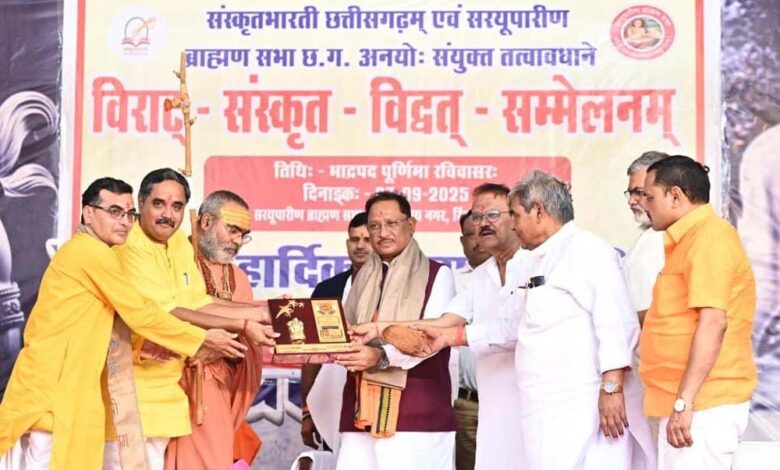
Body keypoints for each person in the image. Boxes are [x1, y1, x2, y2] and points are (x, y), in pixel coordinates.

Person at [0, 177, 244, 469]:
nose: (125, 222)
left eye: (129, 214)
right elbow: (140, 312)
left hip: (75, 385)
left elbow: (121, 317)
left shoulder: (106, 253)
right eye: (114, 212)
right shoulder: (88, 252)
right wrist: (200, 340)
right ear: (88, 213)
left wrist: (146, 346)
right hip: (51, 385)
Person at [417, 171, 655, 469]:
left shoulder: (587, 250)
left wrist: (611, 389)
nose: (513, 225)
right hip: (545, 409)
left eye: (515, 215)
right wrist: (451, 336)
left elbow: (617, 324)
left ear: (539, 211)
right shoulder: (534, 261)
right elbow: (515, 327)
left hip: (586, 405)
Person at [110, 169, 276, 470]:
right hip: (135, 391)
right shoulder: (130, 246)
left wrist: (264, 313)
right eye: (159, 204)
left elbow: (196, 302)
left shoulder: (177, 245)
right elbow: (166, 311)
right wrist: (235, 328)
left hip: (172, 394)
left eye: (177, 206)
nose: (168, 215)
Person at [639, 155, 757, 470]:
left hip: (702, 405)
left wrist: (684, 402)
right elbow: (675, 317)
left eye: (650, 197)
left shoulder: (709, 238)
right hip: (688, 403)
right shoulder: (689, 239)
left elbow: (714, 322)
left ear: (675, 196)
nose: (644, 205)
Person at [333, 191, 457, 470]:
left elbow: (430, 338)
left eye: (391, 223)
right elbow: (343, 331)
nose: (382, 233)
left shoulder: (437, 275)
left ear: (410, 225)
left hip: (416, 416)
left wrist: (379, 357)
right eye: (375, 226)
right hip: (359, 413)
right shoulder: (358, 279)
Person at [162, 190, 266, 469]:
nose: (238, 241)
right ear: (206, 222)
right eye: (232, 230)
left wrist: (217, 347)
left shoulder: (238, 277)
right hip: (163, 383)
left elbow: (248, 338)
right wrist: (197, 342)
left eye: (243, 235)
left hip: (211, 389)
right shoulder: (169, 260)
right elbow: (158, 314)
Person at [446, 185, 524, 470]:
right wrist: (382, 330)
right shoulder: (480, 276)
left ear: (515, 217)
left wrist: (456, 336)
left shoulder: (536, 266)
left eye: (492, 214)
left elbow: (518, 330)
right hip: (490, 404)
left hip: (532, 403)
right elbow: (445, 321)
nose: (483, 223)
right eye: (477, 217)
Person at [300, 212, 371, 464]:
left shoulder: (395, 292)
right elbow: (310, 356)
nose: (360, 245)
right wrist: (307, 412)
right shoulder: (327, 290)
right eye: (354, 239)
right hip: (331, 401)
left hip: (378, 401)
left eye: (366, 239)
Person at [451, 210, 489, 470]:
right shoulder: (451, 281)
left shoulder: (516, 277)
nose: (478, 241)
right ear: (462, 241)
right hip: (466, 403)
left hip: (506, 399)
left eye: (483, 233)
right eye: (470, 235)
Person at [624, 151, 668, 326]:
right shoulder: (648, 235)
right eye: (630, 193)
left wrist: (622, 323)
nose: (631, 201)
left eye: (639, 192)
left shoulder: (672, 237)